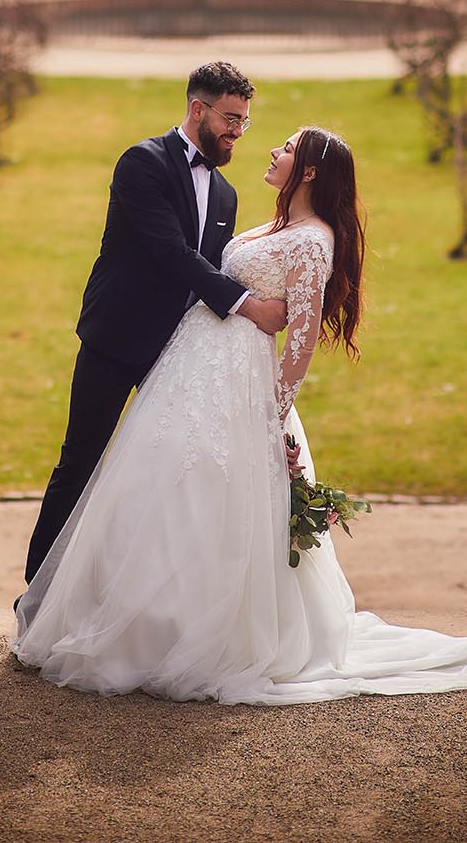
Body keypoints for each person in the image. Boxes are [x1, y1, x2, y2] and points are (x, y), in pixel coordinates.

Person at [14, 125, 467, 704]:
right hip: (192, 367)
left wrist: (274, 418)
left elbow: (305, 333)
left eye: (287, 149)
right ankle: (140, 618)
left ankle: (192, 634)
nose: (271, 149)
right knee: (158, 484)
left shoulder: (313, 239)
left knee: (202, 491)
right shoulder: (273, 223)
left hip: (239, 382)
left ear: (310, 172)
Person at [22, 62, 290, 586]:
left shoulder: (227, 195)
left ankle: (134, 597)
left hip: (179, 355)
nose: (238, 131)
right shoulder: (141, 163)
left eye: (244, 121)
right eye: (231, 119)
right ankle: (37, 596)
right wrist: (248, 306)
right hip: (115, 341)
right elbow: (170, 253)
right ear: (198, 110)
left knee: (165, 475)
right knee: (80, 462)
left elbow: (209, 270)